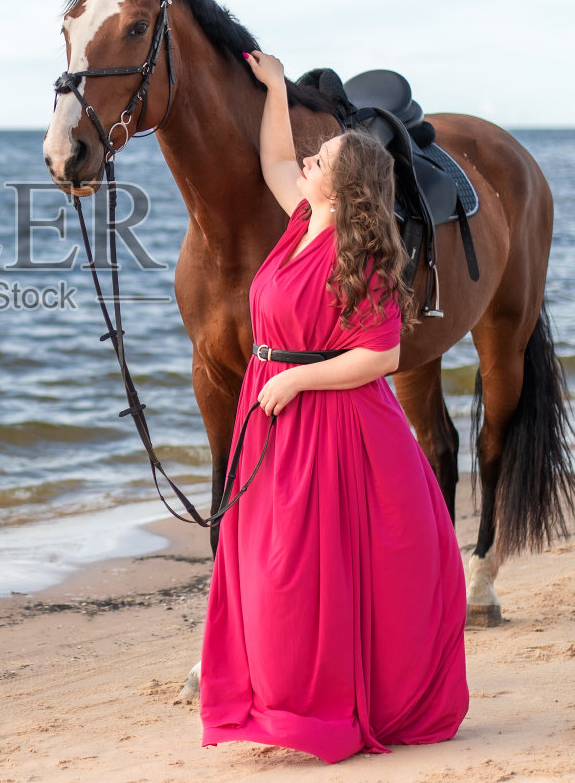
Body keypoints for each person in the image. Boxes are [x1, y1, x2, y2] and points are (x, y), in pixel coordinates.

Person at [198, 50, 469, 764]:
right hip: (276, 419)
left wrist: (291, 383)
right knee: (266, 565)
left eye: (325, 162)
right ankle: (274, 693)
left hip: (323, 419)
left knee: (302, 575)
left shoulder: (361, 248)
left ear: (346, 187)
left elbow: (379, 356)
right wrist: (272, 88)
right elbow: (274, 161)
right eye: (313, 159)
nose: (309, 164)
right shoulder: (301, 219)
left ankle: (315, 705)